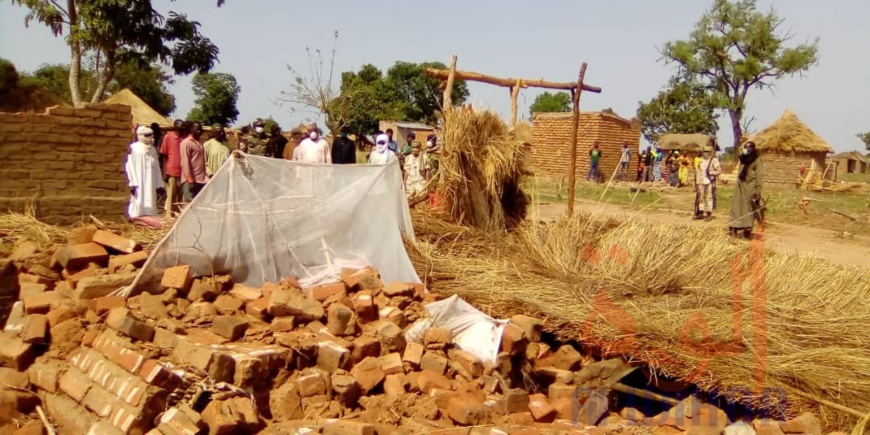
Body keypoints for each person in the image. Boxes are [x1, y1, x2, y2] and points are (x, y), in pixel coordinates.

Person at [125, 126, 165, 220]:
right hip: (138, 179)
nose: (149, 137)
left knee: (150, 198)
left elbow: (157, 167)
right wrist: (132, 182)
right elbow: (130, 166)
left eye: (151, 135)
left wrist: (159, 184)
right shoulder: (133, 148)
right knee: (137, 200)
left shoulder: (153, 149)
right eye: (147, 135)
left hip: (151, 179)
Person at [729, 141, 763, 238]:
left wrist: (758, 191)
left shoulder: (757, 160)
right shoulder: (743, 159)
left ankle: (747, 230)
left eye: (746, 148)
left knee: (748, 209)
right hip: (740, 187)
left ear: (751, 150)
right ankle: (734, 227)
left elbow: (759, 176)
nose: (744, 150)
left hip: (750, 188)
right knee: (736, 207)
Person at [158, 119, 184, 216]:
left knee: (179, 198)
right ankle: (169, 217)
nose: (182, 128)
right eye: (181, 126)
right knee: (171, 198)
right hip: (171, 172)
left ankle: (177, 218)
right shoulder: (168, 137)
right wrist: (165, 172)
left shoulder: (184, 139)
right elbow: (163, 156)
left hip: (182, 173)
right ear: (175, 127)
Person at [180, 121, 207, 199]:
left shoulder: (200, 143)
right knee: (188, 206)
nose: (199, 131)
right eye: (196, 129)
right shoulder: (186, 143)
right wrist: (190, 180)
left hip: (201, 180)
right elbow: (185, 163)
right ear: (191, 129)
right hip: (191, 181)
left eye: (200, 129)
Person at [693, 147, 721, 221]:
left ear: (710, 152)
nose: (705, 153)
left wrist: (711, 173)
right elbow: (698, 171)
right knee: (701, 197)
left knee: (709, 197)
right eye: (704, 151)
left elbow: (718, 171)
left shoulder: (714, 160)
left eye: (707, 151)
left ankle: (709, 213)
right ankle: (701, 212)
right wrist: (696, 182)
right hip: (701, 181)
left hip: (709, 181)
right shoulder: (700, 160)